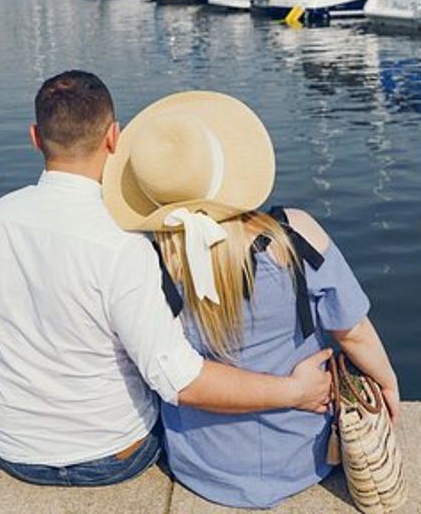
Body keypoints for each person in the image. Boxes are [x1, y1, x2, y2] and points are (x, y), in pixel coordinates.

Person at [0, 71, 334, 488]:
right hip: (109, 454)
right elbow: (179, 380)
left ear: (35, 137)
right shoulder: (123, 241)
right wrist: (295, 392)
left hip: (11, 446)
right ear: (113, 137)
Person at [101, 90, 400, 509]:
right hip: (303, 457)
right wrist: (387, 383)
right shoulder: (294, 236)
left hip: (202, 465)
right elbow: (353, 332)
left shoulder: (150, 260)